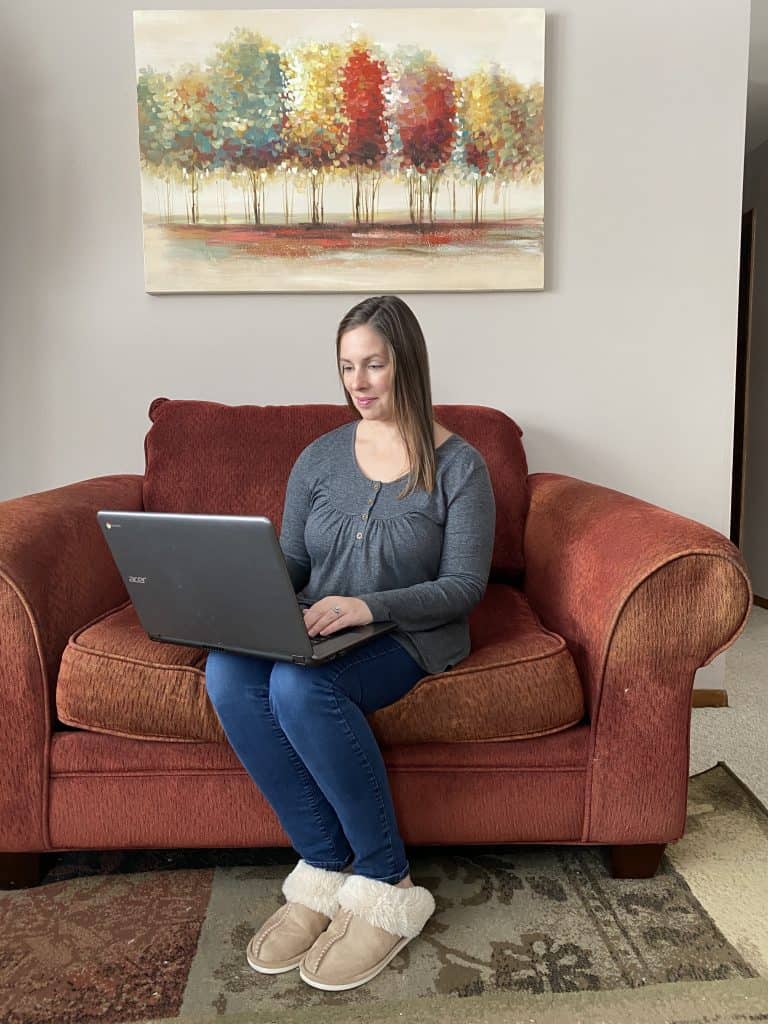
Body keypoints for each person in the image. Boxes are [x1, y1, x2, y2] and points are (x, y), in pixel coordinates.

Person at [204, 294, 496, 992]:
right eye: (346, 367)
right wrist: (242, 583)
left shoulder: (461, 468)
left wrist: (366, 603)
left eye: (374, 365)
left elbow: (463, 586)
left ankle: (385, 882)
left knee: (300, 686)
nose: (358, 382)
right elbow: (296, 566)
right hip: (317, 625)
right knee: (227, 671)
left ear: (408, 365)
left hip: (411, 634)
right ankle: (323, 868)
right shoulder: (318, 458)